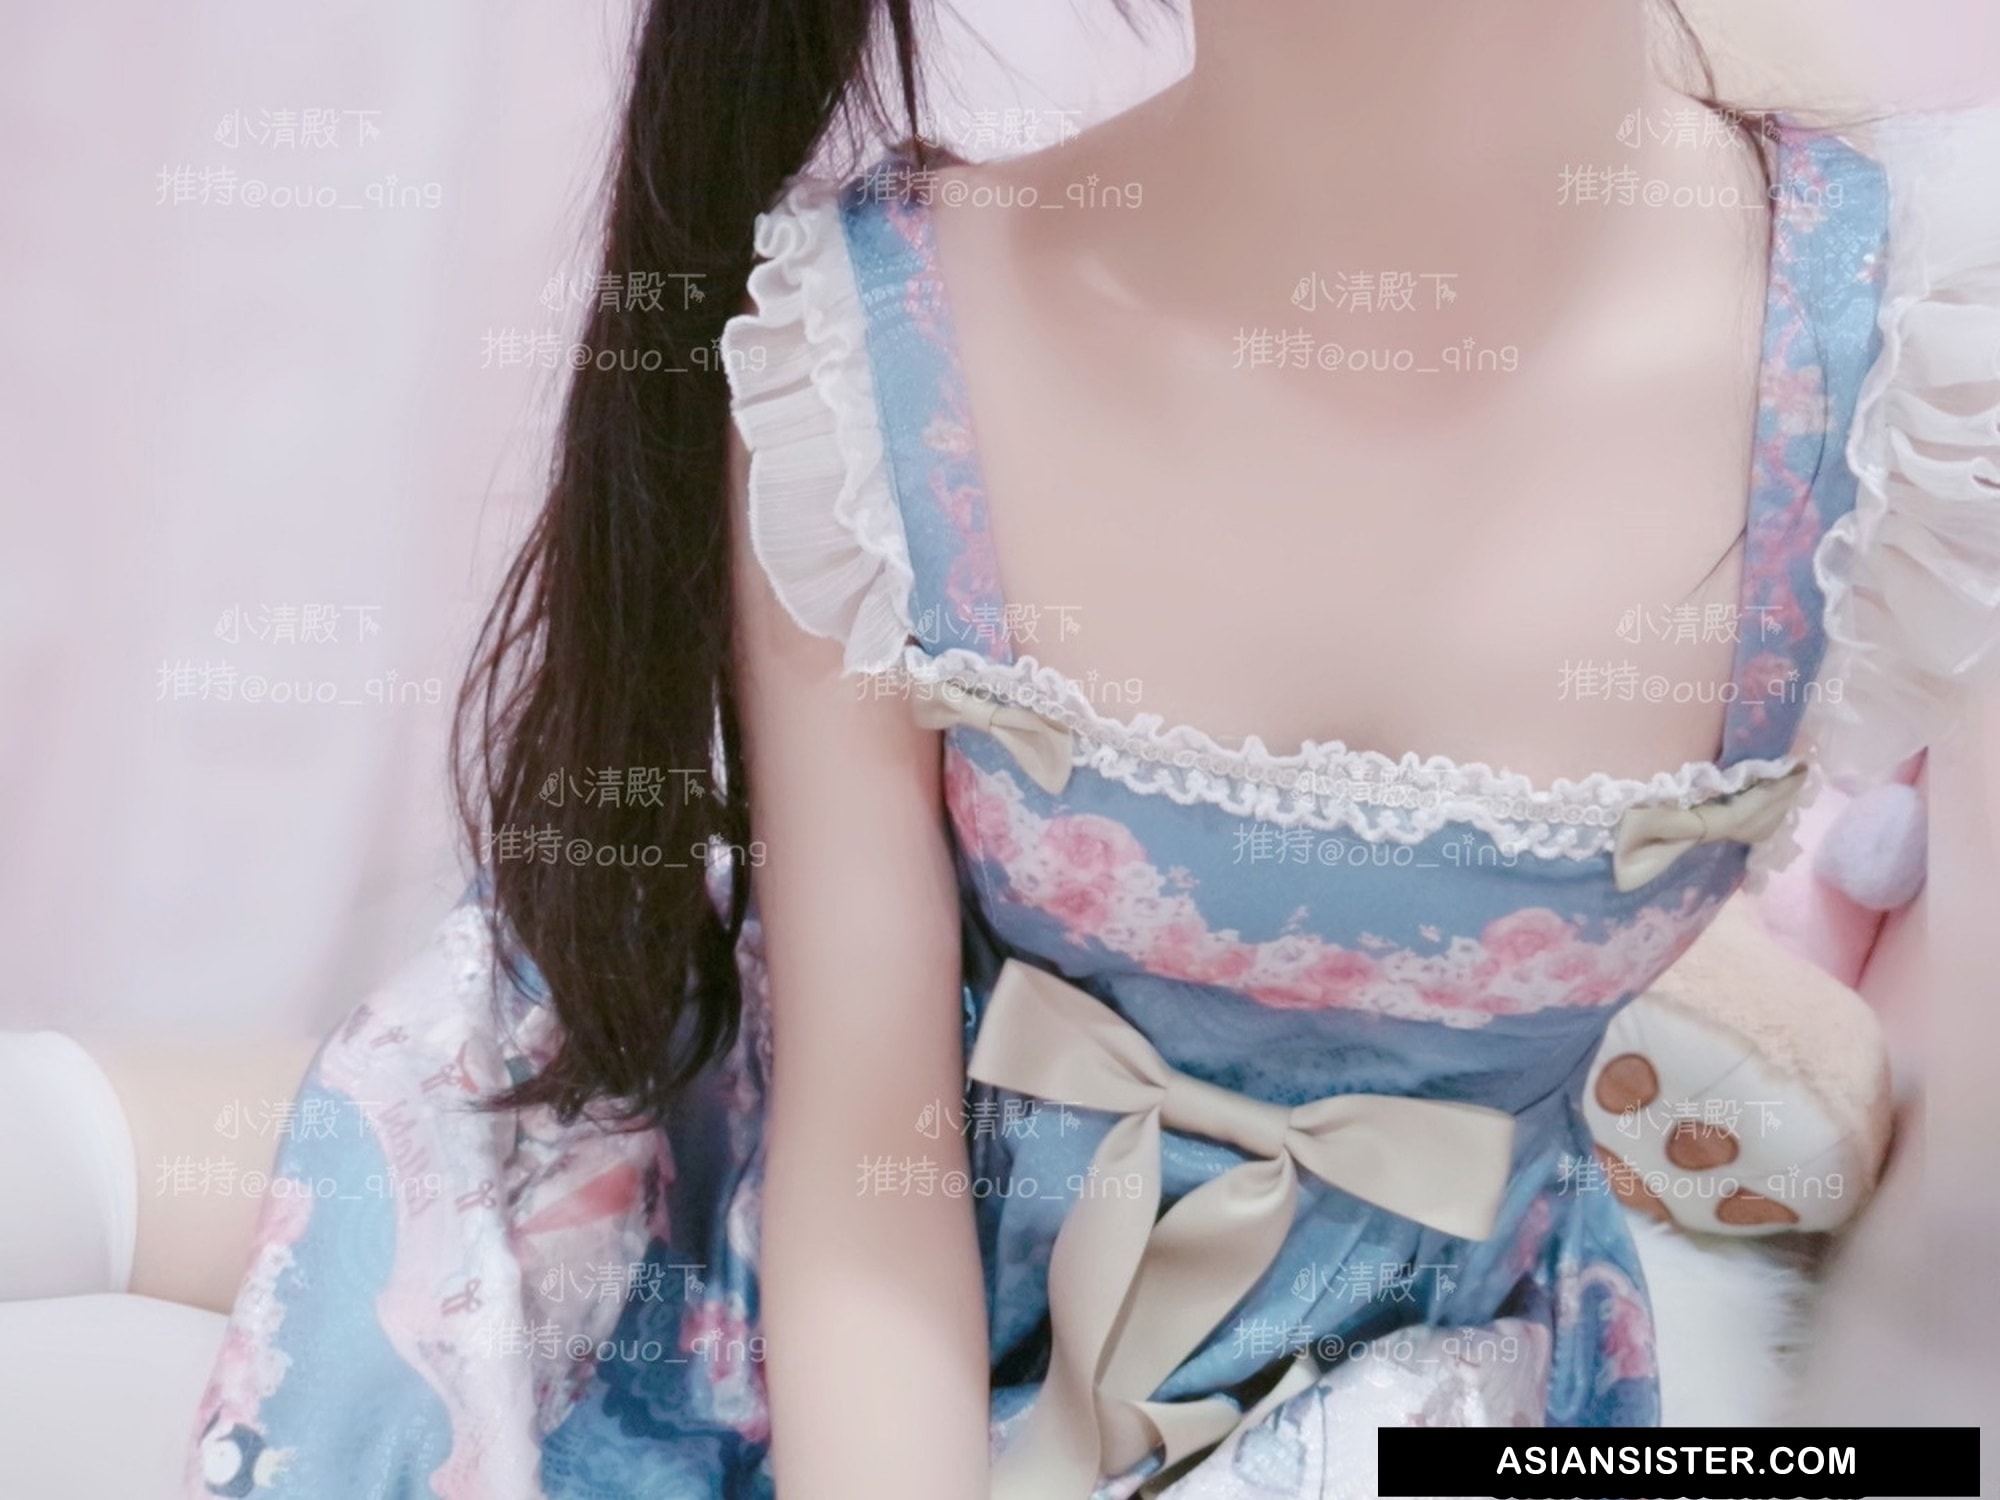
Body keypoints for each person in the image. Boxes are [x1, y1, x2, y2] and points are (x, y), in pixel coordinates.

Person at [172, 3, 1995, 1497]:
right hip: (869, 1308)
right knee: (431, 1233)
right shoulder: (878, 353)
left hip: (1443, 1375)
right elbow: (862, 1169)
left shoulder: (1913, 351)